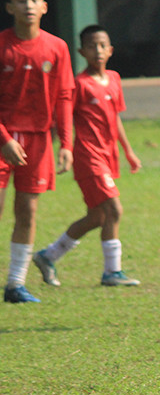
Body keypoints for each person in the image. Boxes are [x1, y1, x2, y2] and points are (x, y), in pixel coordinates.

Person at [33, 25, 142, 288]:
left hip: (108, 155)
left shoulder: (114, 79)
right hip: (87, 156)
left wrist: (128, 151)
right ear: (81, 51)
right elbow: (63, 118)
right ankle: (111, 272)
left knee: (97, 217)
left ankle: (48, 256)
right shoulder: (79, 84)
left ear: (111, 49)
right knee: (114, 209)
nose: (98, 51)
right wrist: (62, 149)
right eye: (92, 46)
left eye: (103, 45)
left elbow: (115, 118)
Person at [0, 0, 75, 303]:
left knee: (27, 211)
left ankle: (16, 284)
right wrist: (4, 139)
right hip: (2, 140)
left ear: (44, 7)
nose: (27, 5)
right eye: (21, 0)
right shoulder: (2, 45)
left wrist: (67, 145)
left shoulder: (56, 47)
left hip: (38, 142)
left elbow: (64, 98)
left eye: (33, 0)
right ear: (9, 7)